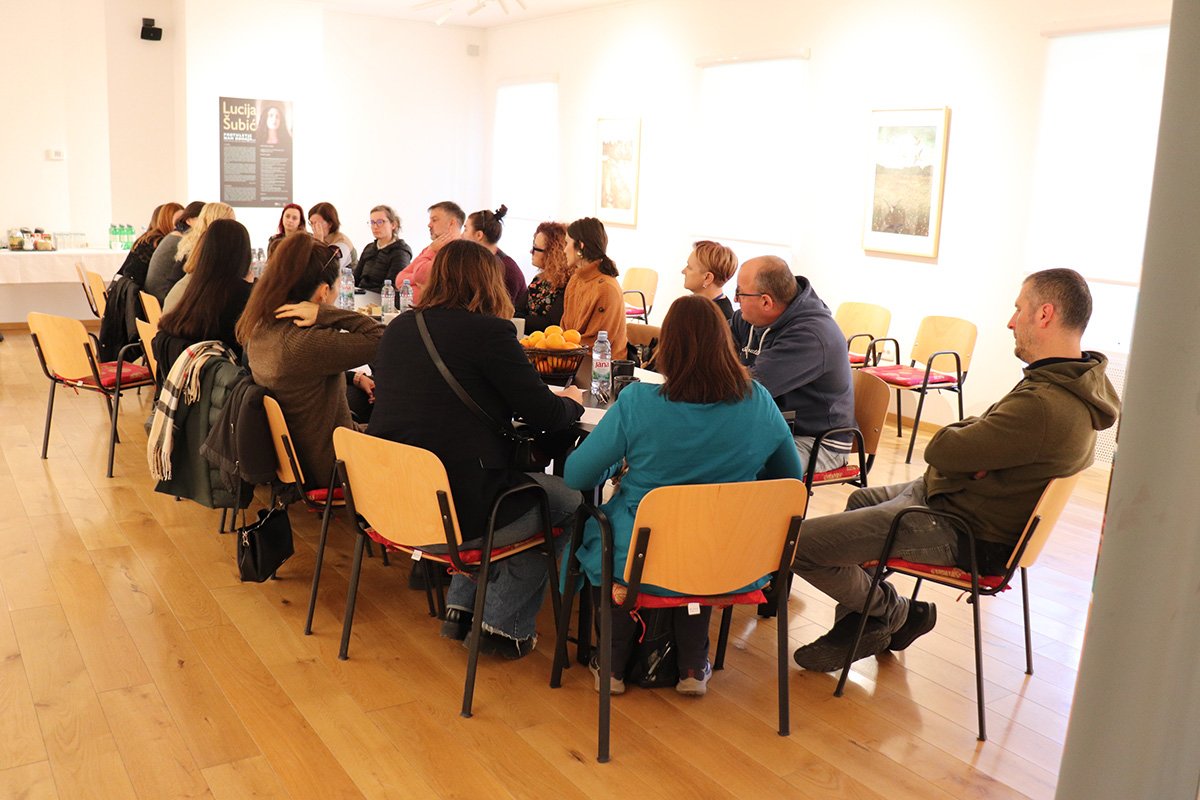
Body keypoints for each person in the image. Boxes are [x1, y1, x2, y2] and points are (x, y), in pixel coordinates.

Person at [790, 268, 1121, 672]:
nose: (1011, 321)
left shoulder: (1044, 405)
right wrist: (972, 456)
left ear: (1045, 314)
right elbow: (968, 443)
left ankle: (894, 613)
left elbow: (943, 448)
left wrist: (966, 452)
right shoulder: (1069, 383)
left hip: (960, 528)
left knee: (799, 545)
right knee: (861, 498)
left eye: (1019, 309)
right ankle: (864, 621)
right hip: (953, 501)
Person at [564, 295, 804, 696]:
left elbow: (576, 476)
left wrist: (616, 464)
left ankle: (611, 662)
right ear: (725, 343)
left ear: (668, 348)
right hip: (729, 554)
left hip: (641, 556)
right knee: (699, 541)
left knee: (604, 533)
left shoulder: (638, 403)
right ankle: (693, 663)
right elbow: (789, 479)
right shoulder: (758, 401)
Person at [368, 239, 585, 659]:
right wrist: (573, 401)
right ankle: (502, 626)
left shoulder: (399, 328)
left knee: (498, 488)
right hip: (458, 510)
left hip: (394, 501)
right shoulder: (490, 333)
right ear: (490, 282)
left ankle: (461, 608)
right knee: (565, 502)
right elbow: (545, 414)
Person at [237, 234, 384, 487]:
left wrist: (355, 377)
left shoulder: (260, 325)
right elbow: (384, 339)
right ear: (324, 292)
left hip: (299, 458)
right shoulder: (306, 343)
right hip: (335, 465)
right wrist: (324, 313)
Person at [730, 256, 855, 472]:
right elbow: (712, 347)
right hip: (772, 425)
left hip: (815, 440)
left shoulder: (811, 335)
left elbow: (748, 388)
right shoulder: (749, 318)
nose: (735, 300)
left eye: (740, 293)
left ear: (766, 302)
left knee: (736, 466)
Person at [154, 219, 254, 382]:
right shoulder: (243, 294)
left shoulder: (193, 286)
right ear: (243, 253)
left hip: (185, 382)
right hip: (224, 385)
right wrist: (249, 287)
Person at [561, 217, 628, 357]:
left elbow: (596, 345)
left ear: (580, 245)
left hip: (602, 366)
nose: (564, 250)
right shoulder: (575, 280)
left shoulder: (607, 288)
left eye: (567, 243)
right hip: (574, 360)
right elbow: (565, 331)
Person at [164, 202, 236, 313]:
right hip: (182, 310)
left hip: (174, 306)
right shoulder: (205, 250)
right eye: (231, 223)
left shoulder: (191, 242)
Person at [393, 200, 465, 304]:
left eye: (434, 220)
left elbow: (420, 276)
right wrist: (420, 282)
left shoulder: (459, 252)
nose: (429, 225)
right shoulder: (430, 248)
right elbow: (400, 280)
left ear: (451, 223)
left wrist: (416, 282)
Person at [515, 221, 572, 334]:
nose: (531, 251)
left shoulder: (567, 284)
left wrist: (522, 321)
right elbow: (517, 312)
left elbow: (550, 324)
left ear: (552, 253)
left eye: (535, 248)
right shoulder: (538, 280)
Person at [463, 204, 526, 306]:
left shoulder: (507, 269)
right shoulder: (476, 261)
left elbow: (503, 310)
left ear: (479, 235)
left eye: (465, 229)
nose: (461, 235)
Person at [145, 200, 204, 303]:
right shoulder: (182, 241)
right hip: (163, 299)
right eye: (202, 219)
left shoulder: (174, 235)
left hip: (155, 298)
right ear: (189, 220)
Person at [116, 202, 183, 288]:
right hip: (137, 292)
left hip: (125, 290)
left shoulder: (146, 238)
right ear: (167, 221)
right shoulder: (159, 242)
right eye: (178, 221)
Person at [354, 204, 413, 291]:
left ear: (393, 225)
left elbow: (392, 287)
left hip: (381, 297)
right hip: (361, 294)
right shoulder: (369, 248)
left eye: (380, 222)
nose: (375, 226)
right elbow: (355, 278)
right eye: (372, 222)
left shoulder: (400, 252)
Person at [682, 240, 738, 320]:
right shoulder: (699, 307)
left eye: (689, 267)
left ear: (707, 278)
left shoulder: (718, 319)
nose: (683, 271)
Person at [308, 202, 357, 270]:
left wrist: (318, 244)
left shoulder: (342, 243)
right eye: (311, 223)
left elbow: (329, 269)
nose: (313, 227)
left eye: (318, 224)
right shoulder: (312, 237)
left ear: (330, 224)